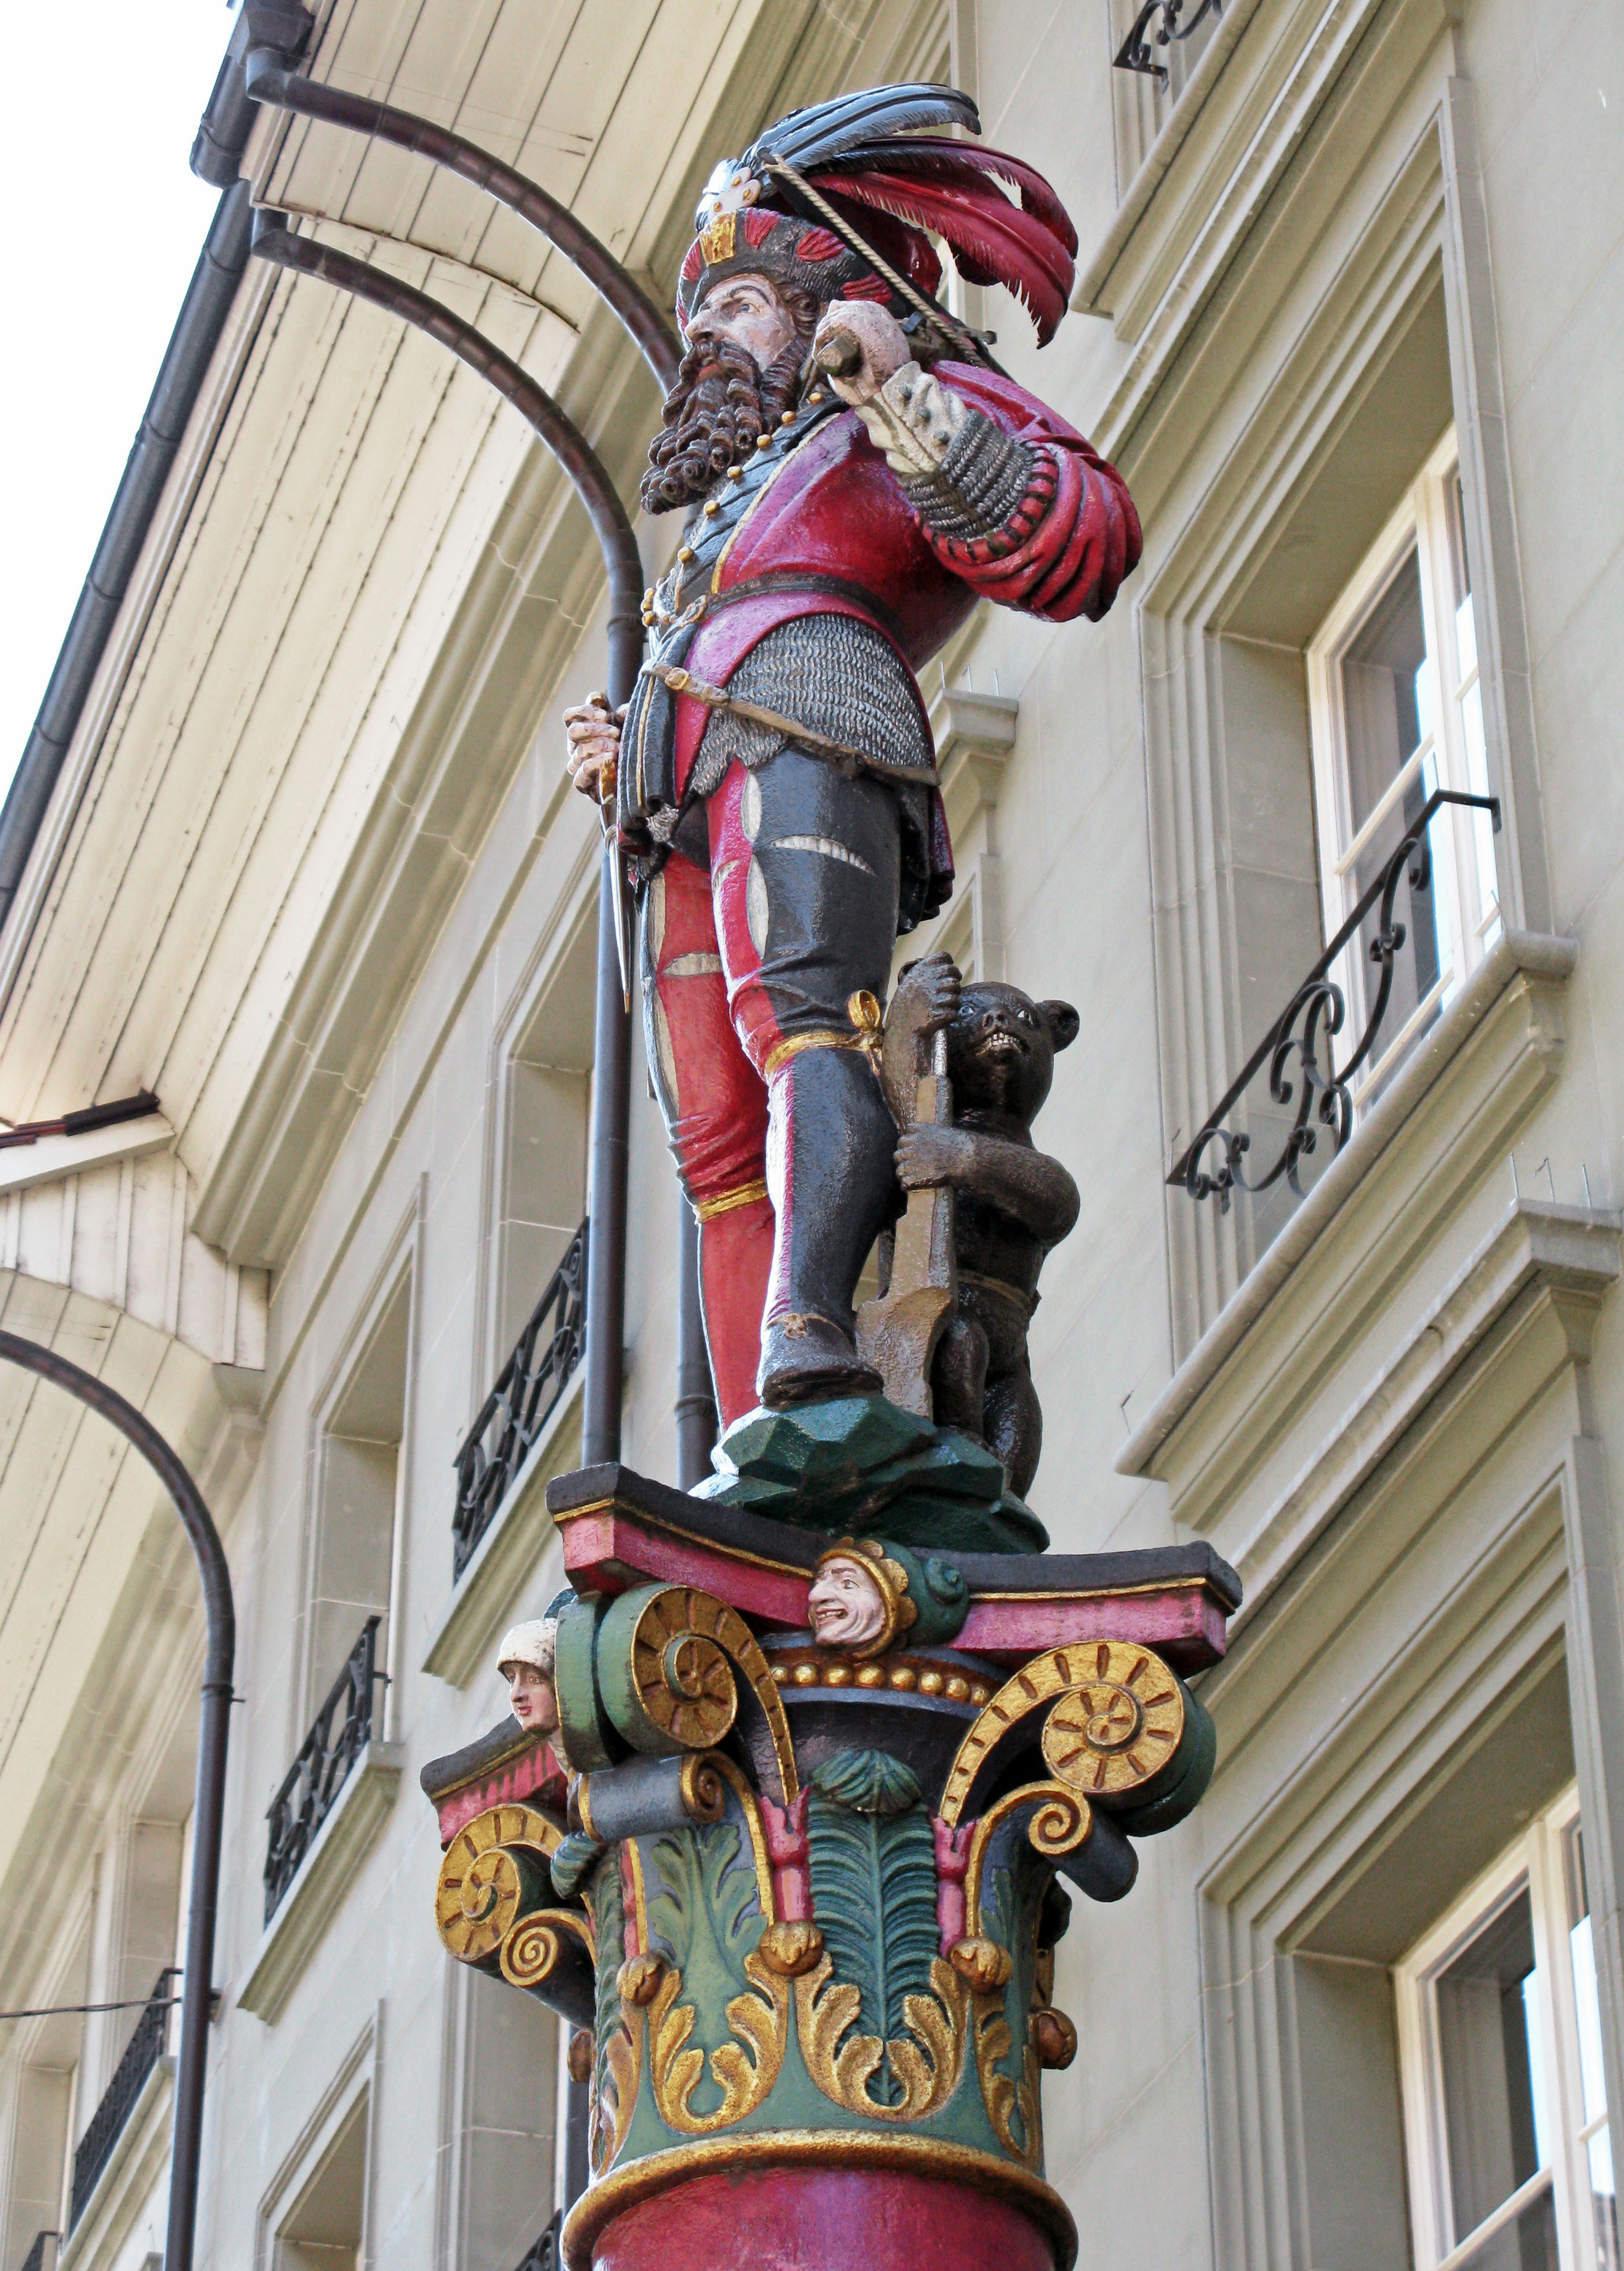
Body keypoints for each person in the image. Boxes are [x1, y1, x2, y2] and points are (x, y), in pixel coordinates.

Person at [565, 89, 1140, 1426]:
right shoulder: (733, 502)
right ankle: (756, 1428)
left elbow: (1086, 531)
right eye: (702, 317)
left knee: (809, 1028)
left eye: (737, 306)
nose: (703, 337)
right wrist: (626, 753)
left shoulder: (883, 407)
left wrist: (901, 389)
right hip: (677, 790)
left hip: (813, 717)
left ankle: (811, 1327)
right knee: (711, 1143)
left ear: (823, 305)